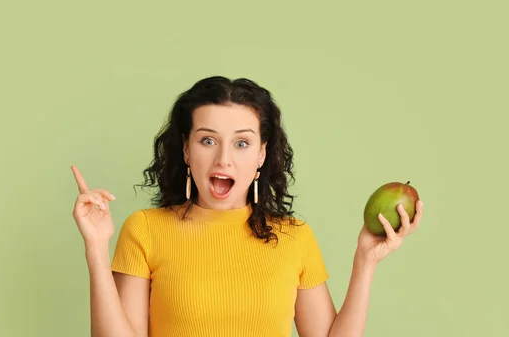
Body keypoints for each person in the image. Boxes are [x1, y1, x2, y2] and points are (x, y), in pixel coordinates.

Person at [70, 76, 424, 337]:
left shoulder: (294, 238)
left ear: (261, 155)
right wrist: (97, 248)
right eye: (208, 140)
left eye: (242, 143)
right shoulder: (145, 229)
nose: (223, 159)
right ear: (186, 149)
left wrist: (366, 260)